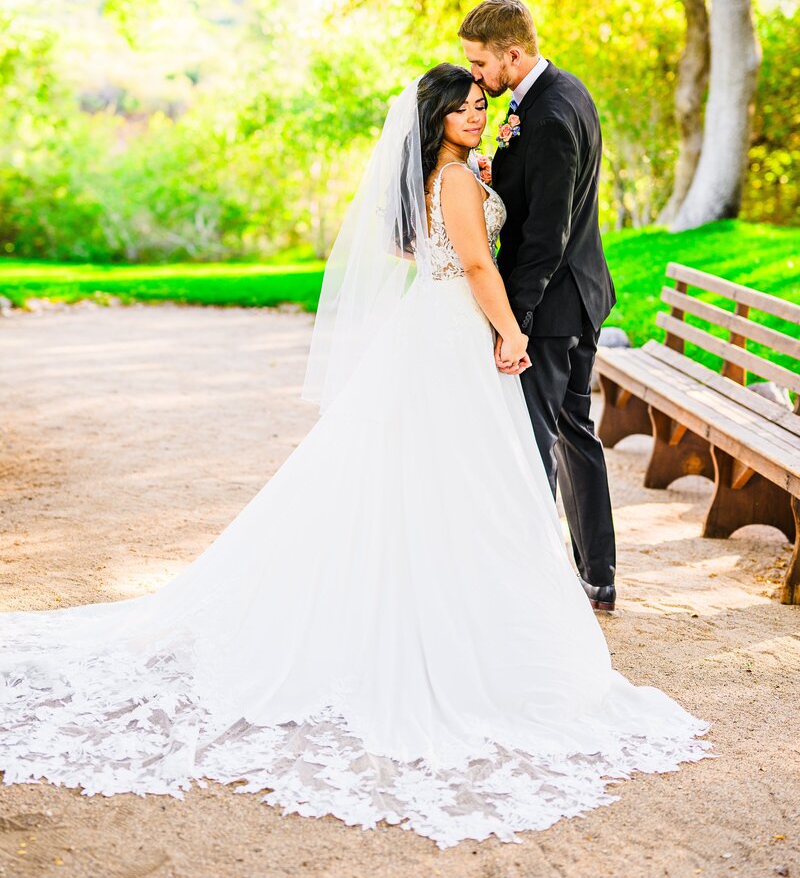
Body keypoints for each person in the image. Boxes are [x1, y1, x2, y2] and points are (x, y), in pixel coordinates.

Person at [0, 65, 709, 849]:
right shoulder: (460, 184)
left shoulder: (446, 177)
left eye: (483, 105)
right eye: (466, 106)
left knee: (441, 481)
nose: (479, 114)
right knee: (473, 480)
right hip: (455, 339)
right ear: (436, 117)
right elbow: (476, 267)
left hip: (432, 331)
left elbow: (425, 253)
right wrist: (510, 333)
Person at [460, 0, 618, 613]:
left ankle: (534, 591)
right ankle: (597, 577)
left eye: (480, 64)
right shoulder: (562, 91)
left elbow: (546, 232)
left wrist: (514, 323)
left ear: (512, 55)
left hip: (551, 309)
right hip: (580, 295)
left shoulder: (549, 114)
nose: (475, 76)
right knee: (576, 433)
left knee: (532, 442)